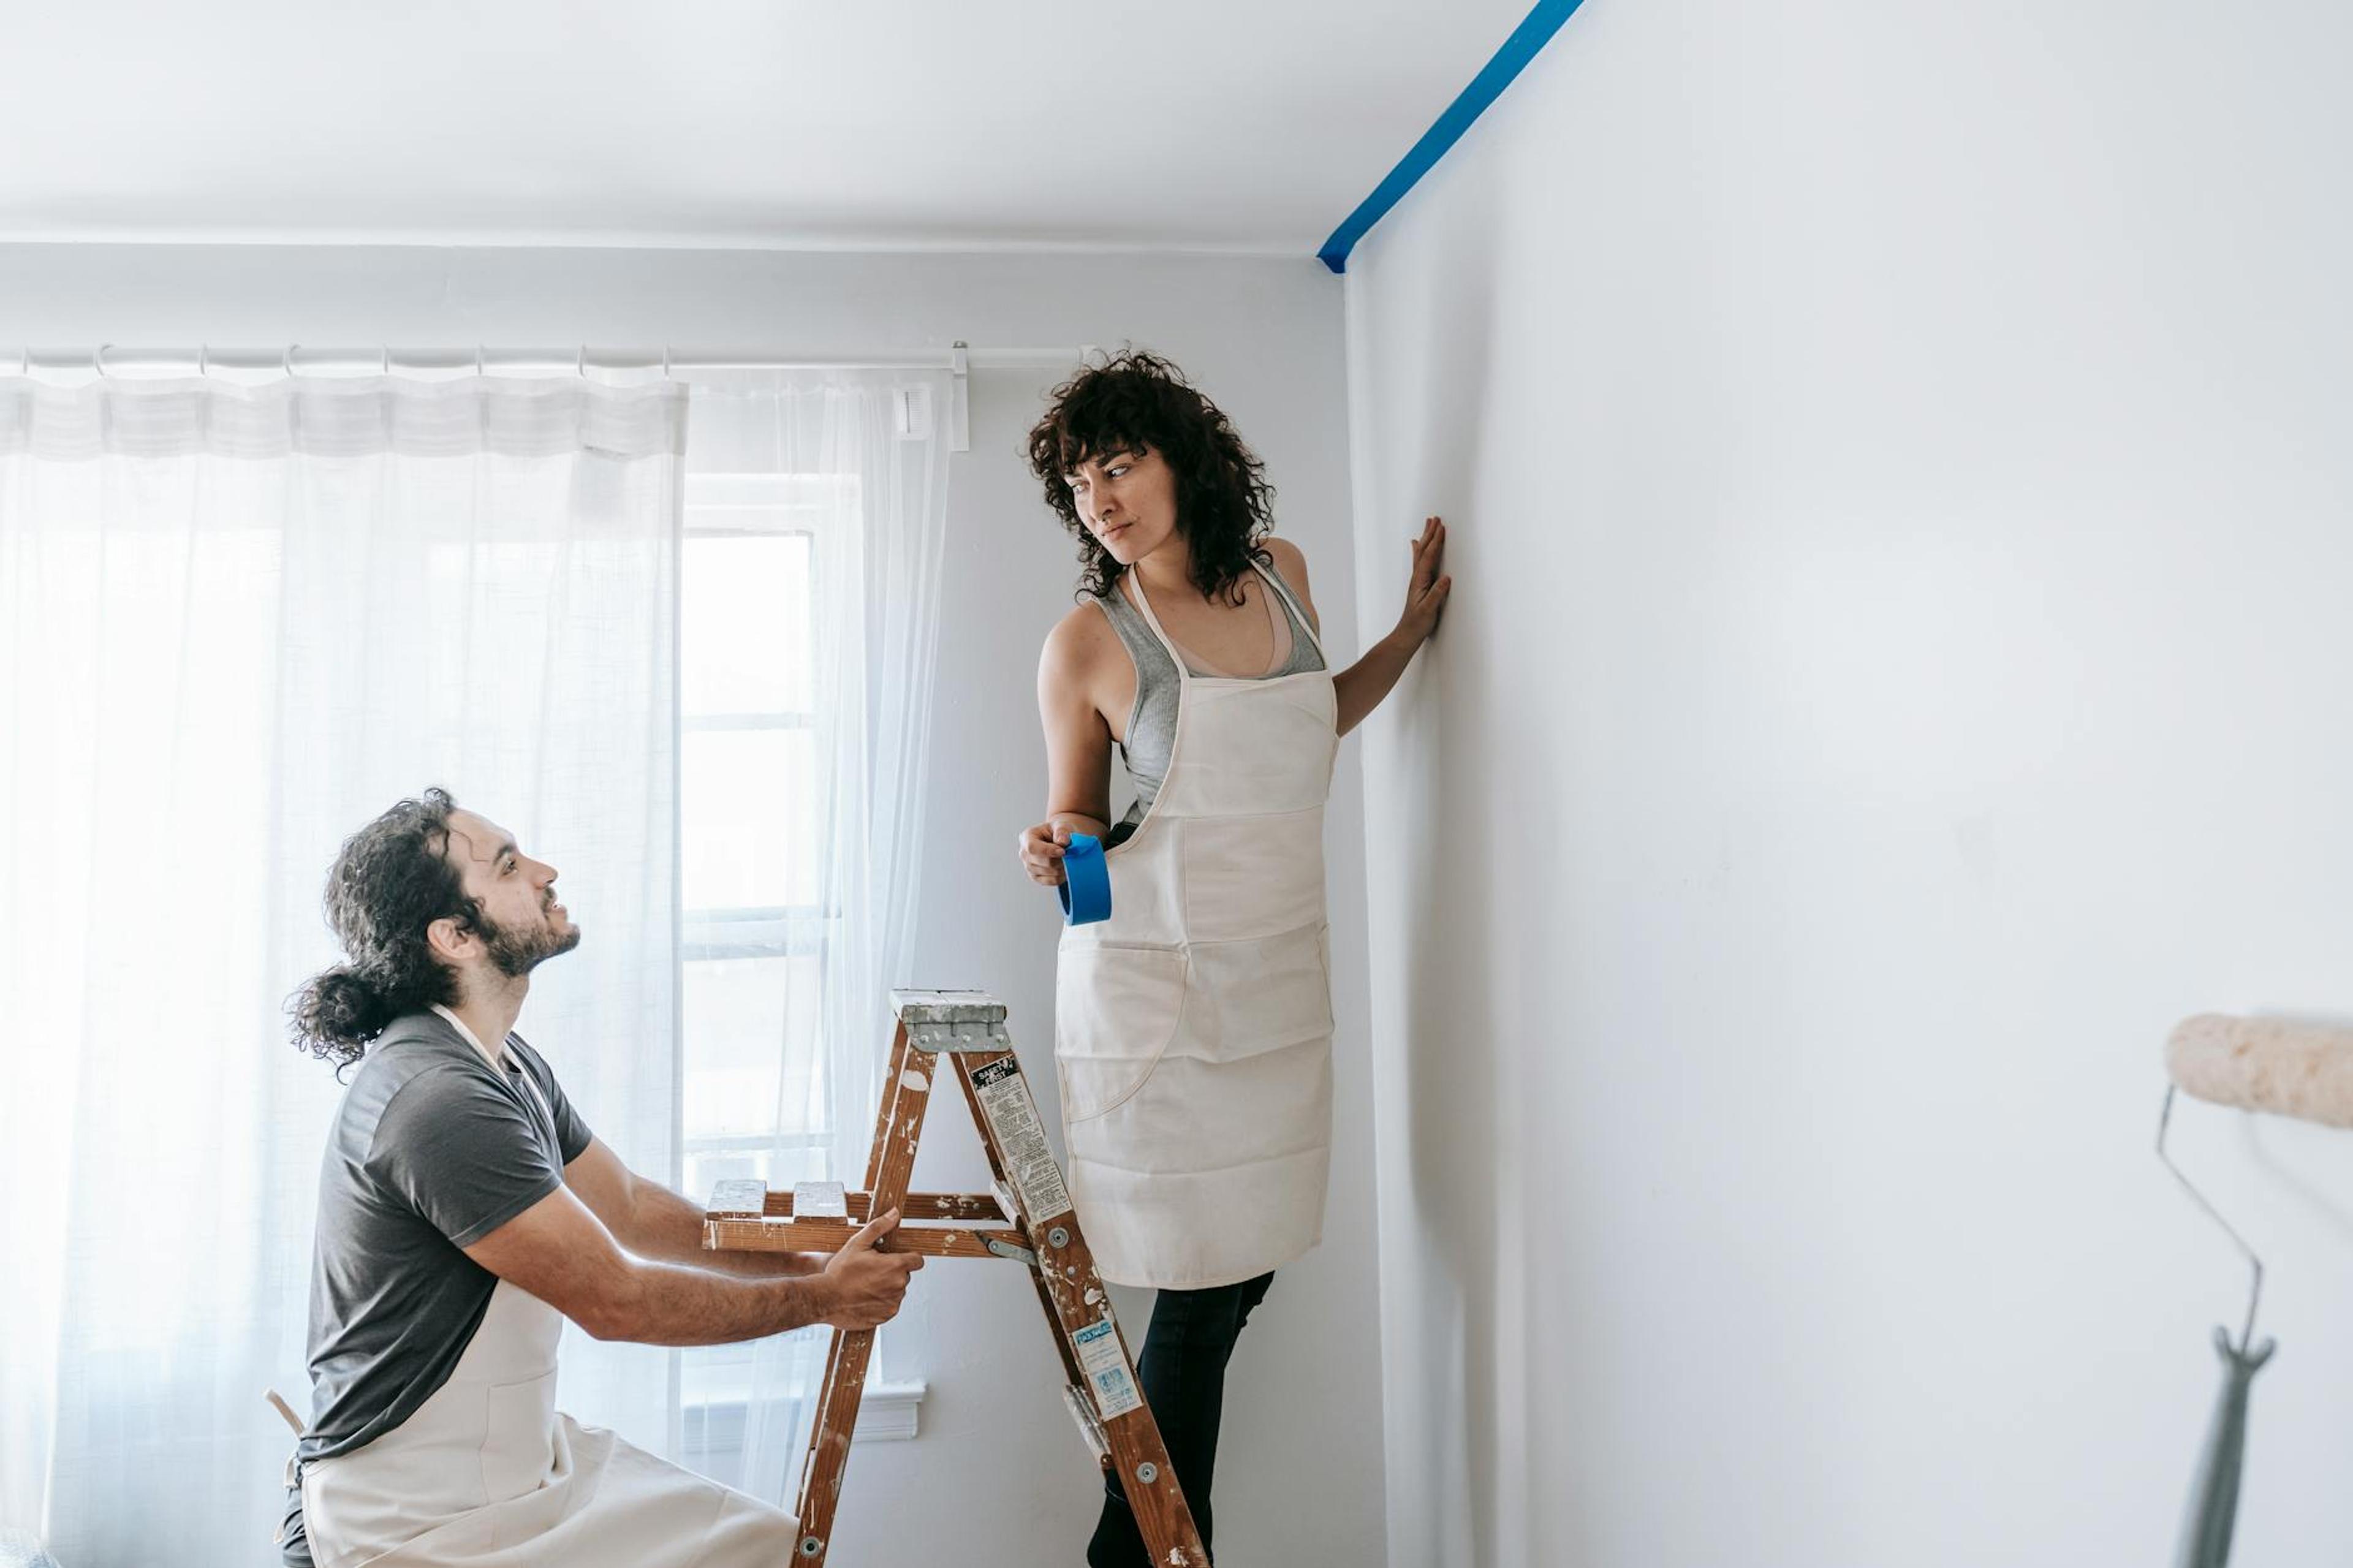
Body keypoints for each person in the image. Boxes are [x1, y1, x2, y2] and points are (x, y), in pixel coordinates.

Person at [1015, 351, 1450, 1564]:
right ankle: (1148, 1544)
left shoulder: (1285, 576)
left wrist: (1410, 636)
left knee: (1238, 1278)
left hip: (1275, 988)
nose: (1098, 496)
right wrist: (1059, 854)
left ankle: (1135, 1521)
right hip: (1155, 1010)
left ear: (1180, 460)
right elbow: (1090, 843)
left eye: (1118, 463)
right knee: (1198, 1296)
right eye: (1077, 480)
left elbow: (1314, 716)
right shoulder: (1090, 641)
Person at [275, 789, 920, 1568]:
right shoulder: (439, 1102)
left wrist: (812, 1265)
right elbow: (618, 1299)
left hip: (512, 1470)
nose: (546, 871)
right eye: (510, 866)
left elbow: (630, 1208)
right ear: (455, 937)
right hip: (411, 1511)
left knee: (767, 1547)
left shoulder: (503, 1064)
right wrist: (822, 1300)